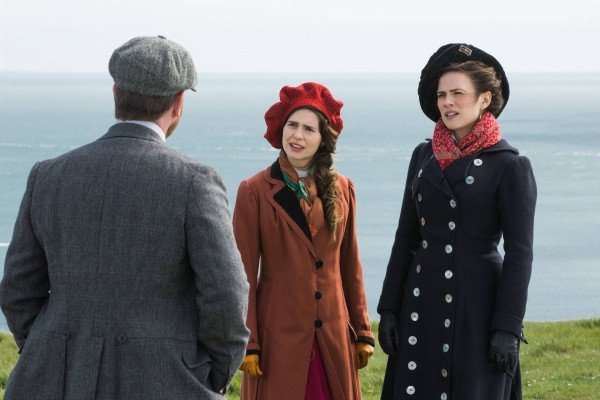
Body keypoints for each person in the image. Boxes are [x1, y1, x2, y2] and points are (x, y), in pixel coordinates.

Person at [0, 35, 249, 399]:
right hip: (165, 385)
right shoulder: (195, 182)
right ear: (179, 104)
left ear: (116, 92)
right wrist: (212, 377)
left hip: (51, 383)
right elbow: (226, 295)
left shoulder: (48, 175)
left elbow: (18, 291)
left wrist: (47, 350)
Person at [377, 43, 537, 400]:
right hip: (421, 303)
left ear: (484, 99)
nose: (447, 103)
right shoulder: (423, 156)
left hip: (477, 311)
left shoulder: (511, 165)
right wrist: (389, 308)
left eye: (457, 94)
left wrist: (508, 328)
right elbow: (406, 237)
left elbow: (520, 254)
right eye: (442, 95)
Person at [233, 82, 375, 400]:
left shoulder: (344, 189)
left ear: (324, 138)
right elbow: (243, 276)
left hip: (334, 339)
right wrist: (249, 342)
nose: (297, 135)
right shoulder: (253, 192)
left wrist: (363, 330)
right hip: (277, 341)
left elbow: (350, 265)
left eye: (309, 129)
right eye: (292, 125)